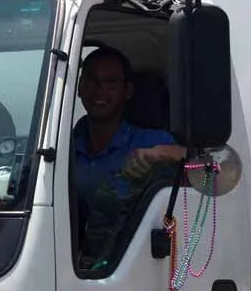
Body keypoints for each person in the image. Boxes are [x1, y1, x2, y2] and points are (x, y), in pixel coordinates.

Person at [73, 47, 185, 270]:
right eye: (92, 80)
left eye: (111, 82)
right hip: (73, 265)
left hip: (136, 266)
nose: (100, 90)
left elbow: (211, 165)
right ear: (79, 87)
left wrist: (161, 154)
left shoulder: (150, 141)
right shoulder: (62, 144)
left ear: (128, 91)